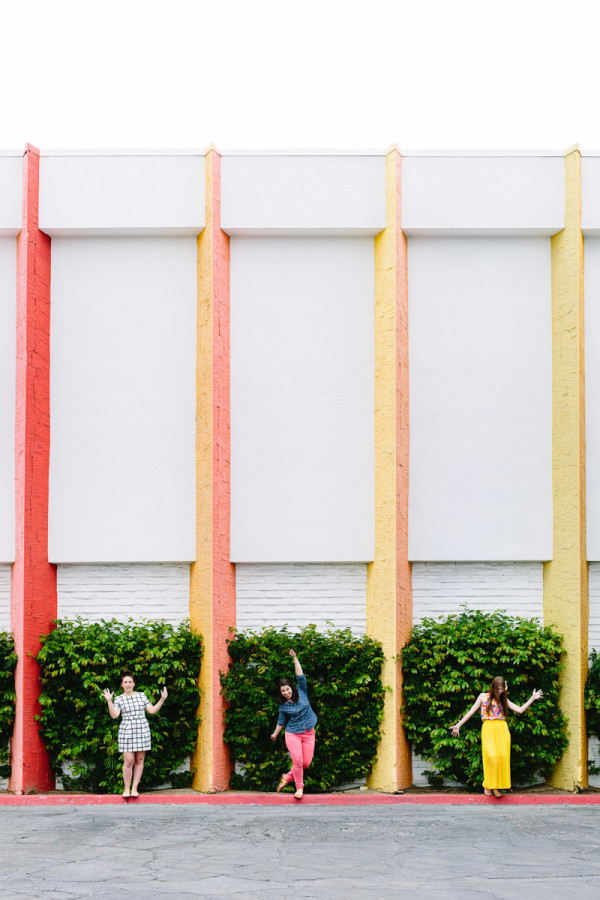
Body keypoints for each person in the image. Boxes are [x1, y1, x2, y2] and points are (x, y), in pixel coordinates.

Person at [449, 676, 543, 797]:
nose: (500, 691)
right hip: (488, 728)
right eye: (498, 689)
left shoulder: (504, 700)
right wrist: (458, 725)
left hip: (502, 729)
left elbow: (519, 710)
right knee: (492, 757)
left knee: (501, 758)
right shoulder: (483, 697)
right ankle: (487, 785)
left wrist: (532, 698)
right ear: (493, 687)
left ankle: (495, 787)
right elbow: (471, 711)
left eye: (502, 689)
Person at [103, 671, 168, 798]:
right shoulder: (119, 698)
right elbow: (115, 715)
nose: (128, 684)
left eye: (130, 682)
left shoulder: (142, 696)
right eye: (125, 682)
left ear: (134, 684)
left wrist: (162, 699)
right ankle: (126, 789)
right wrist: (109, 701)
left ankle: (134, 789)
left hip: (142, 729)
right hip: (126, 731)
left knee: (139, 760)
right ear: (122, 685)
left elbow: (152, 711)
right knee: (128, 761)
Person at [270, 649, 317, 799]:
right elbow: (281, 721)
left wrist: (295, 658)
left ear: (292, 688)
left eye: (287, 689)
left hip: (309, 732)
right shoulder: (283, 706)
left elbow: (300, 676)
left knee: (306, 763)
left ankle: (287, 777)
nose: (286, 692)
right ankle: (299, 789)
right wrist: (275, 734)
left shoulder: (302, 691)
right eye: (283, 691)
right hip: (293, 734)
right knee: (297, 761)